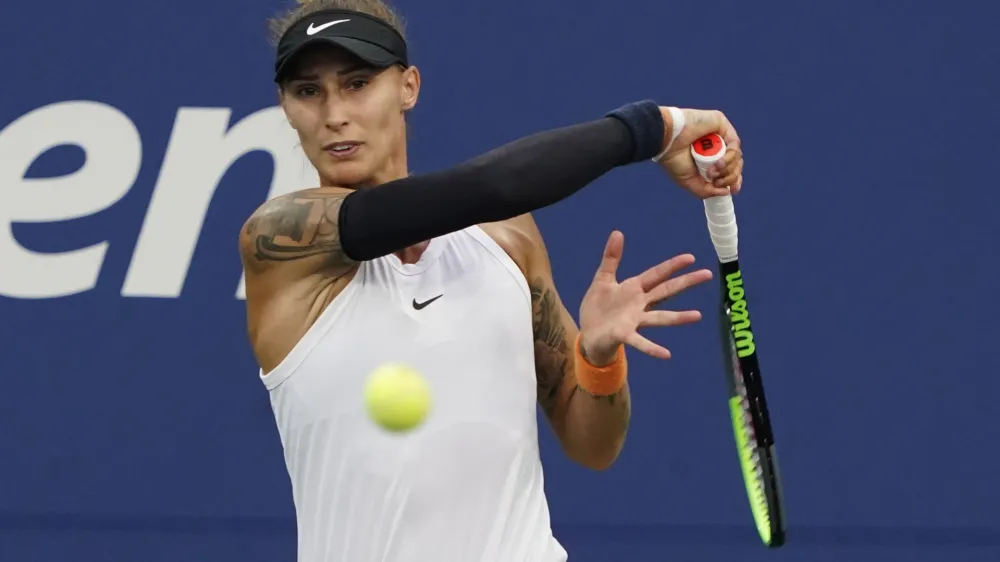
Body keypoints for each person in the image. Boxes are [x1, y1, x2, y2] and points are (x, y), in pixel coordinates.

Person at [240, 0, 744, 560]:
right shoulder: (281, 239)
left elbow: (593, 446)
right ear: (286, 107)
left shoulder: (507, 238)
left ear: (408, 87)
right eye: (308, 91)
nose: (334, 113)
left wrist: (597, 360)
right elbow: (497, 186)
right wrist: (654, 128)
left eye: (357, 84)